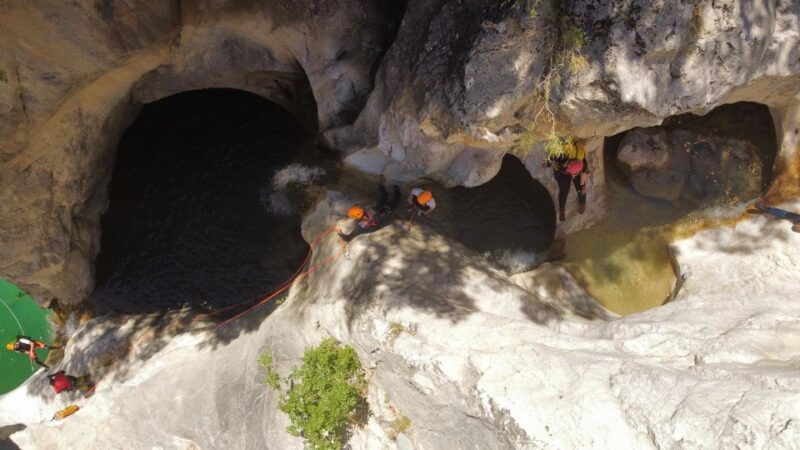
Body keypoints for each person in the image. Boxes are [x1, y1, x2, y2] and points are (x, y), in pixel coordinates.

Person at [545, 138, 589, 222]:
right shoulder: (561, 156)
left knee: (582, 187)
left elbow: (584, 174)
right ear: (568, 165)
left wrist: (581, 182)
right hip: (563, 169)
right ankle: (562, 210)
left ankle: (582, 203)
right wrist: (548, 163)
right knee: (564, 190)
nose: (572, 176)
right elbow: (551, 157)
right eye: (572, 174)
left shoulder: (581, 159)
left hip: (574, 169)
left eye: (574, 174)